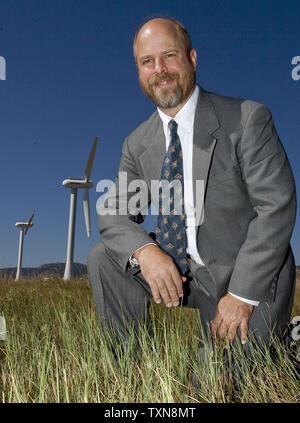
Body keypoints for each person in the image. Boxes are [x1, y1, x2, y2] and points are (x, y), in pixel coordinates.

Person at [88, 18, 296, 360]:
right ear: (139, 70)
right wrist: (147, 252)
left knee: (216, 383)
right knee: (105, 257)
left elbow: (276, 207)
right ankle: (129, 367)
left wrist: (242, 296)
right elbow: (113, 213)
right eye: (147, 61)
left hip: (244, 278)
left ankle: (286, 344)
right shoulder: (138, 143)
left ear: (192, 59)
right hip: (183, 275)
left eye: (169, 56)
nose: (160, 70)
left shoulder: (246, 119)